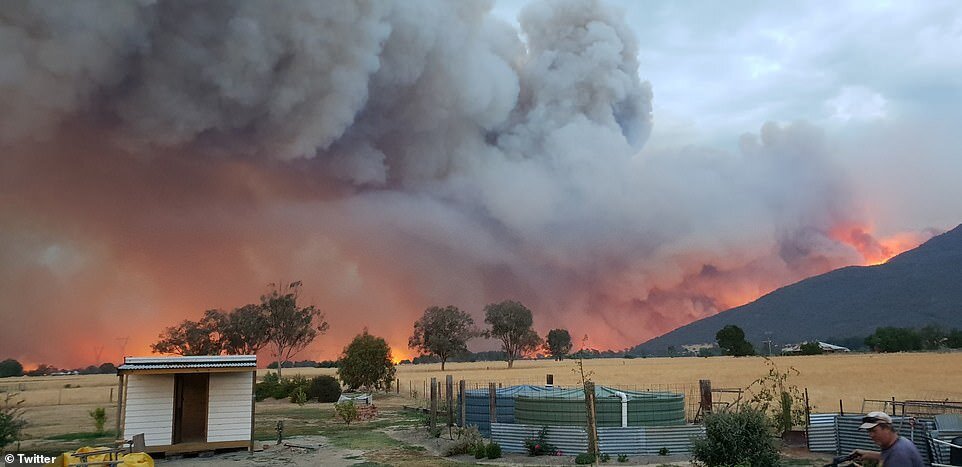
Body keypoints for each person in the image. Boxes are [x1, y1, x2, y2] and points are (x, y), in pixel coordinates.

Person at [852, 411, 924, 467]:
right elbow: (887, 455)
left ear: (887, 428)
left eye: (874, 431)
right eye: (869, 431)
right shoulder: (900, 442)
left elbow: (894, 458)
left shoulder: (899, 453)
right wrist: (869, 454)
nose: (871, 435)